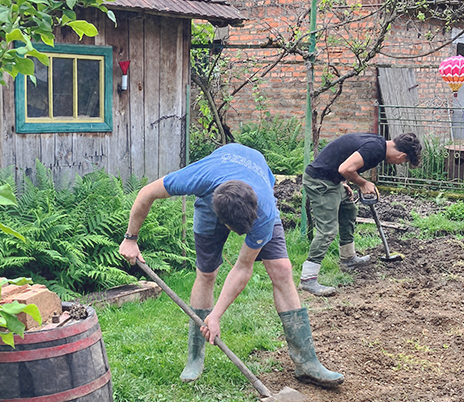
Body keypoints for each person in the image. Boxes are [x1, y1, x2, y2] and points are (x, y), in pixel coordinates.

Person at [119, 144, 343, 388]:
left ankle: (307, 362)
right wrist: (131, 239)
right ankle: (195, 358)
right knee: (206, 273)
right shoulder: (197, 177)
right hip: (211, 198)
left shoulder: (264, 210)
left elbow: (243, 267)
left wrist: (216, 316)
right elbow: (146, 193)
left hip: (256, 198)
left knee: (282, 269)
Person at [299, 132, 422, 297]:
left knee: (349, 209)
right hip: (320, 181)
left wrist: (344, 182)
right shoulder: (375, 149)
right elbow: (345, 168)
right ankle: (308, 279)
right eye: (404, 161)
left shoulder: (378, 143)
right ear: (402, 155)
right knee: (327, 230)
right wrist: (363, 183)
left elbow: (341, 157)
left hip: (332, 180)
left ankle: (348, 259)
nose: (400, 163)